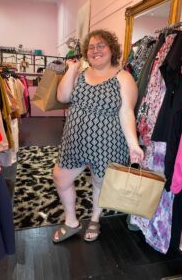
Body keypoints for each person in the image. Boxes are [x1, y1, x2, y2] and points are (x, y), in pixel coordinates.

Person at [52, 29, 144, 243]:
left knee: (100, 182)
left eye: (101, 45)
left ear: (112, 49)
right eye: (91, 47)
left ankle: (95, 218)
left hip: (108, 143)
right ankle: (71, 221)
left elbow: (127, 112)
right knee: (60, 177)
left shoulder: (124, 78)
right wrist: (73, 69)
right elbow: (62, 96)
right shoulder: (81, 73)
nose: (95, 50)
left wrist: (133, 144)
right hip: (74, 142)